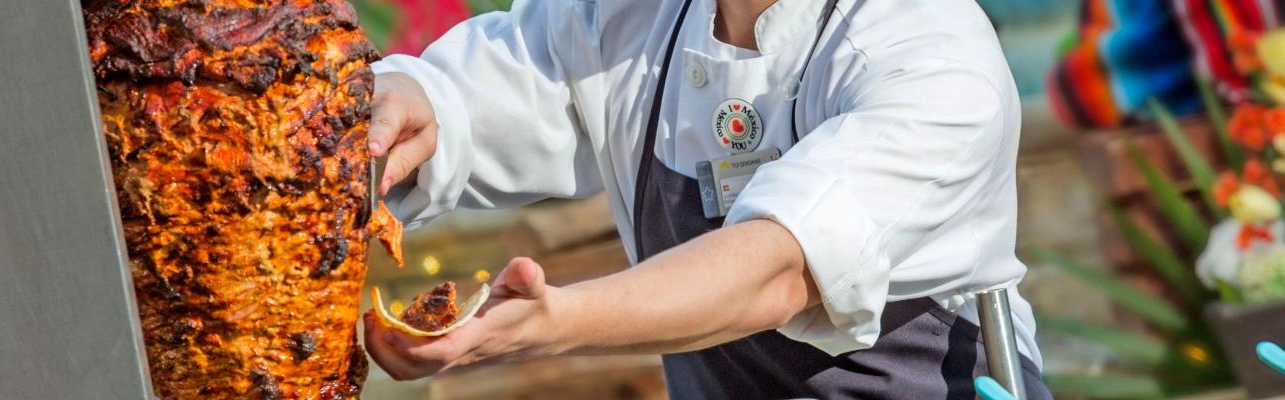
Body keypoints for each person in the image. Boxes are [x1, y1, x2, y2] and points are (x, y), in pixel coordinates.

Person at [361, 0, 1052, 398]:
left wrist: (553, 321)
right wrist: (415, 105)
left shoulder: (933, 56)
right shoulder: (635, 13)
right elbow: (496, 82)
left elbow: (777, 270)